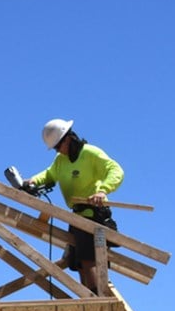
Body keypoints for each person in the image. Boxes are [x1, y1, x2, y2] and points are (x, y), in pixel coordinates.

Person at [23, 118, 124, 294]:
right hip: (76, 217)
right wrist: (32, 181)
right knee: (77, 263)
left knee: (89, 260)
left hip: (93, 215)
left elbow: (115, 170)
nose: (57, 151)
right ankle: (89, 298)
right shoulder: (60, 161)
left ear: (68, 139)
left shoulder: (90, 153)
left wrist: (103, 191)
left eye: (57, 146)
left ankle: (97, 300)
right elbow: (49, 174)